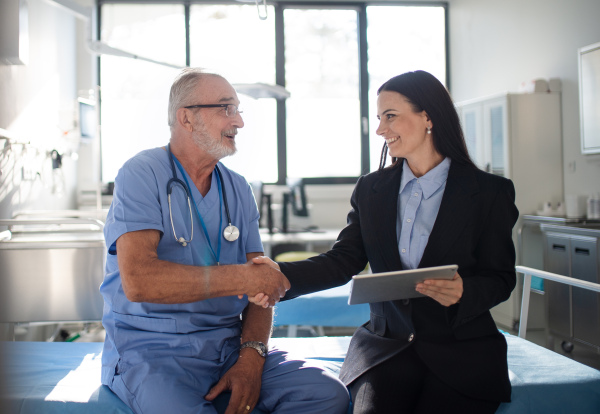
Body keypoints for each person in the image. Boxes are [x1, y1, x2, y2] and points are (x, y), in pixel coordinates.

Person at [254, 70, 519, 413]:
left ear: (428, 117)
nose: (380, 130)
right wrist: (280, 276)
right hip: (386, 349)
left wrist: (464, 291)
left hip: (462, 351)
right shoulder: (372, 189)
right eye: (379, 119)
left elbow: (501, 277)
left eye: (390, 116)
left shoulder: (488, 193)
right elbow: (345, 259)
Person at [100, 68, 349, 414]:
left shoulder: (237, 188)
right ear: (186, 118)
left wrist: (250, 357)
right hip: (154, 349)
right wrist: (244, 278)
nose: (239, 122)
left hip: (228, 346)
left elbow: (260, 292)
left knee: (326, 395)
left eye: (238, 110)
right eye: (225, 108)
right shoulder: (141, 174)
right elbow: (140, 281)